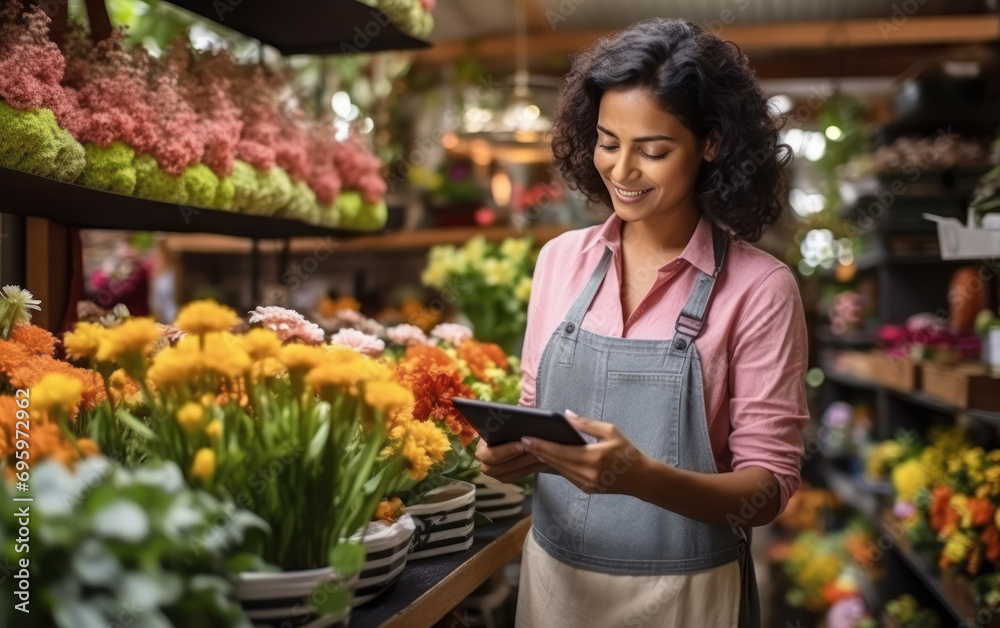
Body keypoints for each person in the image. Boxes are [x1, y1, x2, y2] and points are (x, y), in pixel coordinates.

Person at [475, 18, 808, 628]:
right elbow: (535, 404)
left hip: (686, 598)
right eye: (607, 142)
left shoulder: (761, 289)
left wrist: (642, 478)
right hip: (554, 586)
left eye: (652, 151)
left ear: (710, 143)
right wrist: (509, 451)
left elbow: (769, 489)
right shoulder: (559, 263)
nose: (622, 171)